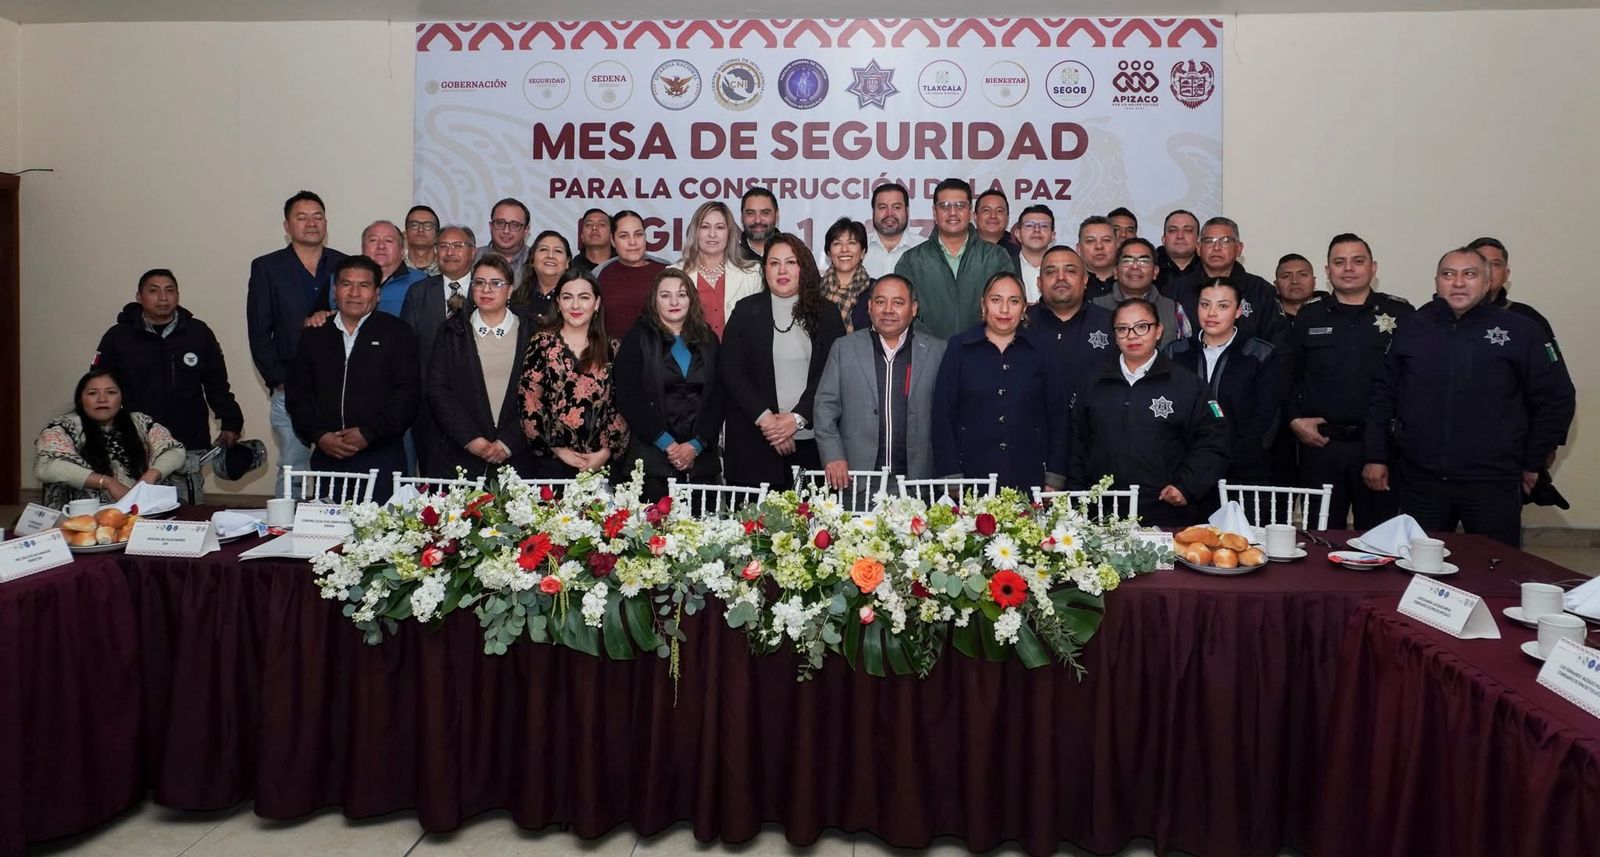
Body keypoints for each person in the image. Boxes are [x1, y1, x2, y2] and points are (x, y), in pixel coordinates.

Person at [1364, 247, 1575, 547]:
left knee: (1495, 570)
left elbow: (1556, 397)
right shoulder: (1413, 327)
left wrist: (1533, 461)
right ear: (1437, 281)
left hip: (1492, 482)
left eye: (1470, 274)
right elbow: (1384, 393)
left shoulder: (1522, 331)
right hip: (1421, 479)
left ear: (1488, 281)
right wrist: (1376, 454)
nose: (1458, 283)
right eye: (1448, 275)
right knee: (1419, 572)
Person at [1285, 233, 1414, 529]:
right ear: (1328, 271)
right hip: (1321, 446)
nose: (1349, 268)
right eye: (1339, 262)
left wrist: (1383, 450)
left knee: (1378, 537)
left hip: (1380, 446)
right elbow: (1287, 376)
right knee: (1321, 537)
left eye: (1358, 261)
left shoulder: (1401, 314)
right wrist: (1294, 420)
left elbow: (1414, 382)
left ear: (1373, 267)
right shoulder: (1310, 315)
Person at [1068, 299, 1229, 527]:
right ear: (1114, 335)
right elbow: (1077, 443)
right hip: (1101, 513)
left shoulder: (1188, 385)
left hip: (1164, 513)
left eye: (1142, 327)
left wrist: (1187, 486)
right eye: (1122, 329)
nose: (1132, 336)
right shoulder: (1093, 382)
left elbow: (1213, 441)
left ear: (1159, 331)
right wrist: (1077, 497)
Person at [91, 269, 243, 504]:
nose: (163, 297)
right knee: (134, 511)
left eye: (169, 291)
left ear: (177, 296)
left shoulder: (198, 333)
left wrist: (231, 421)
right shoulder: (118, 337)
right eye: (154, 291)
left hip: (187, 440)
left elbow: (217, 384)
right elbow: (98, 387)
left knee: (187, 513)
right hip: (135, 441)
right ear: (139, 297)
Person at [286, 256, 419, 503]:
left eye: (364, 285)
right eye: (346, 284)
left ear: (377, 293)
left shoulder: (398, 333)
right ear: (335, 291)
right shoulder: (314, 335)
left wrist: (368, 434)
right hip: (328, 456)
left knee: (381, 535)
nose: (355, 293)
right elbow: (298, 394)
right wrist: (319, 435)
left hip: (381, 456)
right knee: (328, 535)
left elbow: (407, 395)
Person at [720, 233, 846, 487]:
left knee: (809, 523)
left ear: (804, 268)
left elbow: (831, 375)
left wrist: (796, 419)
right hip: (753, 443)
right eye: (774, 263)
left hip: (811, 445)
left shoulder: (827, 314)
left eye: (790, 262)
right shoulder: (745, 311)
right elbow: (731, 371)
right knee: (754, 526)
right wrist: (769, 422)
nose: (782, 270)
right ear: (764, 269)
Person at [245, 190, 347, 496]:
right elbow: (259, 331)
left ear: (326, 222)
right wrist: (278, 381)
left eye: (317, 216)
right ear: (287, 226)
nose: (311, 223)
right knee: (294, 466)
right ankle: (285, 532)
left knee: (339, 466)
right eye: (301, 217)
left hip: (337, 386)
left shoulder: (344, 264)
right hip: (290, 386)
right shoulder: (267, 267)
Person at [932, 272, 1066, 491]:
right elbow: (942, 415)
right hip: (972, 476)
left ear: (1024, 308)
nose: (1004, 310)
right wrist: (950, 476)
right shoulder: (959, 348)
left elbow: (1058, 416)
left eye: (1014, 301)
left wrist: (1054, 477)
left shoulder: (1042, 350)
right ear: (983, 305)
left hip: (1029, 475)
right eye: (996, 300)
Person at [816, 274, 946, 493]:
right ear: (869, 306)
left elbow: (950, 415)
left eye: (898, 303)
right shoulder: (844, 348)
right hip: (856, 480)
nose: (888, 310)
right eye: (880, 301)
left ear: (913, 309)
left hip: (917, 483)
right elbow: (824, 408)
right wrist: (833, 455)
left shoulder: (937, 351)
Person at [1164, 278, 1289, 493]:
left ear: (1238, 311)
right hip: (1185, 474)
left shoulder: (1260, 354)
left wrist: (1228, 458)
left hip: (1242, 473)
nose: (1212, 313)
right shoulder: (1175, 353)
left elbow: (1267, 417)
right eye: (1205, 304)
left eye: (1223, 306)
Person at [613, 268, 725, 501]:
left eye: (682, 295)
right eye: (665, 295)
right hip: (651, 464)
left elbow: (720, 397)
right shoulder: (637, 338)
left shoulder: (708, 339)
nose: (674, 301)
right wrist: (670, 445)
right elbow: (628, 397)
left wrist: (695, 445)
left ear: (691, 300)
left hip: (702, 464)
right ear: (654, 301)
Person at [425, 254, 536, 480]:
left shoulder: (532, 332)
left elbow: (541, 394)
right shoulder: (451, 331)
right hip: (460, 457)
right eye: (479, 282)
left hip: (518, 458)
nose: (487, 290)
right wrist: (471, 439)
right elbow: (438, 389)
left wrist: (509, 442)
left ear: (510, 290)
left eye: (496, 283)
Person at [518, 269, 630, 479]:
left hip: (602, 466)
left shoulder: (613, 348)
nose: (575, 305)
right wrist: (558, 450)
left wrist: (605, 452)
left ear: (596, 303)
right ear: (558, 303)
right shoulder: (542, 343)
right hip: (551, 464)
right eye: (567, 297)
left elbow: (624, 402)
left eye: (584, 297)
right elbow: (529, 399)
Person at [35, 369, 188, 508]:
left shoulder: (140, 422)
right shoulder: (62, 427)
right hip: (79, 515)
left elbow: (174, 451)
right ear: (80, 400)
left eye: (111, 392)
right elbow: (48, 466)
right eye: (92, 393)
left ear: (121, 398)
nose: (102, 399)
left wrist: (150, 476)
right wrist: (106, 482)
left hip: (139, 512)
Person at [893, 178, 1016, 339]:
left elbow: (1009, 308)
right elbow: (902, 312)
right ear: (934, 213)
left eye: (960, 206)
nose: (952, 212)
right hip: (928, 355)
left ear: (970, 212)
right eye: (944, 206)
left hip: (984, 351)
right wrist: (929, 345)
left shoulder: (996, 257)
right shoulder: (911, 260)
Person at [401, 225, 478, 476]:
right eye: (443, 246)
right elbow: (408, 350)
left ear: (473, 252)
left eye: (458, 246)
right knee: (433, 482)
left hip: (476, 408)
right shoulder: (419, 292)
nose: (449, 252)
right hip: (429, 409)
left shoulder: (486, 290)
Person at [1165, 216, 1288, 348]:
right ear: (1199, 248)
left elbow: (1280, 344)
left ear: (1239, 248)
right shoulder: (1176, 290)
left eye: (1225, 241)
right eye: (1209, 241)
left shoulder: (1261, 290)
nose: (1216, 247)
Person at [1026, 245, 1116, 391]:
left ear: (1085, 280)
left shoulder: (1110, 323)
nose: (1060, 277)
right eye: (1050, 272)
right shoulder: (1021, 323)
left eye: (1070, 271)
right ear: (1039, 283)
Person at [673, 200, 761, 338]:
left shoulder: (753, 274)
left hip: (740, 358)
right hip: (692, 357)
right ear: (695, 231)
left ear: (729, 233)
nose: (712, 234)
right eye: (705, 227)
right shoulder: (675, 274)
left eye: (719, 227)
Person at [1091, 237, 1191, 347]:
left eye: (1143, 261)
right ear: (1115, 270)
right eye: (1127, 261)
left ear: (1155, 272)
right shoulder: (1094, 306)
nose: (1135, 266)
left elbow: (1187, 356)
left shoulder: (1174, 310)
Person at [596, 210, 666, 339]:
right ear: (612, 240)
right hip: (611, 356)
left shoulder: (666, 273)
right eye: (624, 236)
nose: (632, 242)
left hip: (660, 355)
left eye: (638, 234)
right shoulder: (601, 275)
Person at [1468, 236, 1555, 338]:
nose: (1488, 271)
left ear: (1506, 274)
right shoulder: (1447, 314)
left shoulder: (1528, 318)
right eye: (1481, 263)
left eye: (1495, 264)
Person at [358, 220, 428, 317]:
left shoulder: (422, 282)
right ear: (362, 248)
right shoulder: (341, 279)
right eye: (373, 240)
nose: (381, 246)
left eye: (388, 241)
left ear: (402, 250)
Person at [818, 216, 874, 329]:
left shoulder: (876, 290)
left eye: (852, 243)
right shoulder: (813, 290)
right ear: (829, 253)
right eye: (837, 243)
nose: (844, 250)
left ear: (863, 252)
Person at [864, 182, 924, 280]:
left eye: (896, 207)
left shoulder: (924, 249)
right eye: (882, 207)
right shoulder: (857, 249)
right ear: (873, 211)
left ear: (907, 211)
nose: (889, 214)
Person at [511, 230, 573, 320]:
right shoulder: (518, 298)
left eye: (558, 251)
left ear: (567, 262)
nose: (550, 256)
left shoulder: (575, 300)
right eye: (544, 249)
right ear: (532, 260)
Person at [480, 197, 533, 289]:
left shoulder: (535, 261)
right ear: (491, 226)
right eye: (500, 223)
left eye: (515, 225)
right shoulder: (472, 259)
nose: (506, 231)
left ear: (526, 230)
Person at [1014, 204, 1055, 303]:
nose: (1037, 230)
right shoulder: (1003, 266)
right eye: (1029, 225)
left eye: (1044, 226)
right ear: (1018, 234)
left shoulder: (1063, 271)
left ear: (1053, 236)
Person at [1077, 215, 1119, 299]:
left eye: (1106, 240)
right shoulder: (1071, 286)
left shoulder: (1130, 283)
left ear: (1117, 246)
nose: (1099, 246)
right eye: (1090, 241)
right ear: (1078, 249)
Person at [1273, 253, 1323, 320]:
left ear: (1314, 282)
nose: (1295, 281)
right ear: (1276, 285)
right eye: (1286, 276)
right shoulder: (1265, 320)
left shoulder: (1333, 315)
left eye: (1303, 275)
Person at [975, 189, 1020, 263]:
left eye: (999, 211)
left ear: (1007, 217)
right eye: (986, 210)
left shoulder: (1019, 254)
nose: (993, 216)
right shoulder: (961, 250)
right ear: (975, 216)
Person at [568, 207, 616, 275]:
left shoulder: (624, 264)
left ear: (611, 235)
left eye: (601, 224)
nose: (594, 228)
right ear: (582, 237)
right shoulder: (571, 269)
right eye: (589, 225)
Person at [739, 186, 779, 261]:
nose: (758, 220)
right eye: (750, 213)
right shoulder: (730, 257)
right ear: (742, 217)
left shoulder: (795, 254)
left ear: (776, 216)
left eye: (765, 213)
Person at [403, 205, 441, 275]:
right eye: (414, 225)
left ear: (437, 236)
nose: (420, 230)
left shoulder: (446, 268)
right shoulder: (396, 268)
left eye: (428, 226)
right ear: (405, 234)